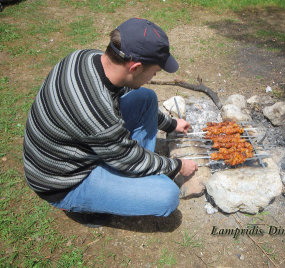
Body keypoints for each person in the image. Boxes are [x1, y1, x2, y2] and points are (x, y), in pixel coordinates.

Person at [23, 18, 198, 219]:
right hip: (63, 181)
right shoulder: (96, 111)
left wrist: (171, 124)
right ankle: (82, 207)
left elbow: (119, 94)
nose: (153, 77)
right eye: (154, 72)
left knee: (146, 98)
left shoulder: (87, 57)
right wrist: (177, 166)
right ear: (135, 68)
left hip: (70, 147)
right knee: (167, 195)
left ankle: (125, 177)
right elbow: (128, 157)